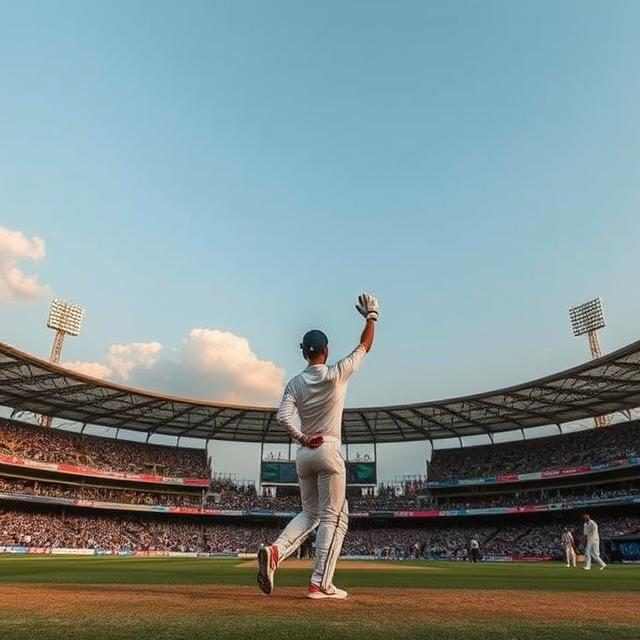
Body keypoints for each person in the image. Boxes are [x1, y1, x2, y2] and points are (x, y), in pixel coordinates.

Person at [257, 293, 379, 600]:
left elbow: (282, 416)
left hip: (304, 455)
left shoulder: (295, 383)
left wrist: (300, 438)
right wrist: (372, 316)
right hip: (328, 450)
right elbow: (364, 346)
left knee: (310, 513)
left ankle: (275, 552)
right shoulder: (337, 374)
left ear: (304, 354)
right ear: (326, 351)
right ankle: (320, 583)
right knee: (335, 518)